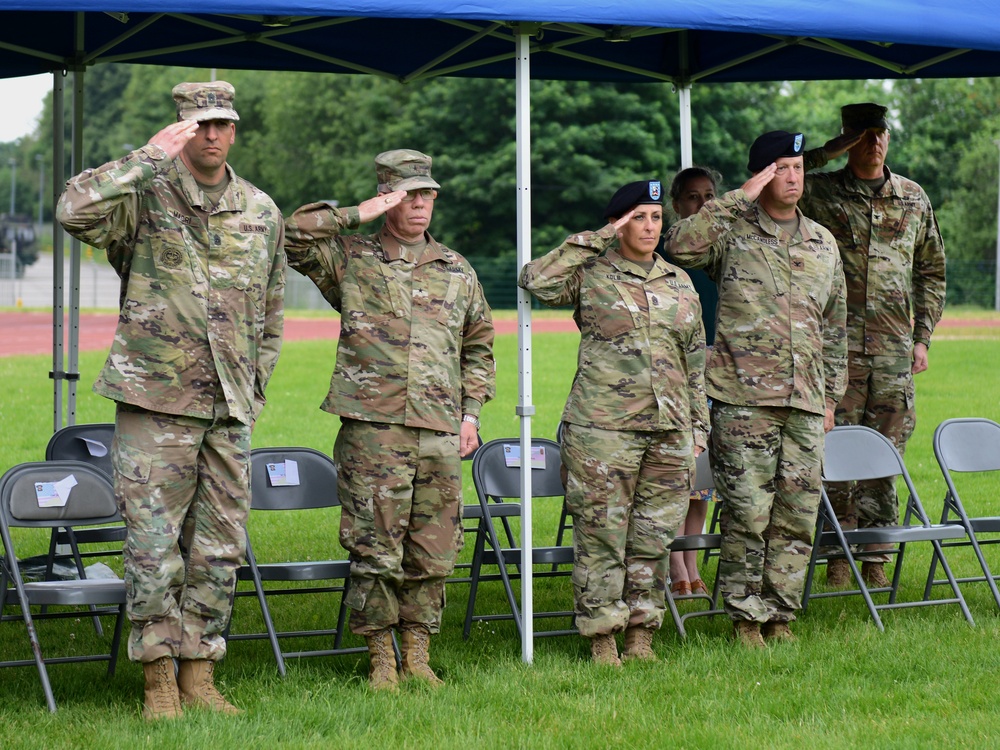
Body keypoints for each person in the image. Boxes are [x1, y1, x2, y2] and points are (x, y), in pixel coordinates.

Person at [56, 81, 285, 718]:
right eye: (199, 125)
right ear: (181, 129)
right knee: (153, 546)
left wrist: (256, 383)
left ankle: (200, 672)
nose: (212, 135)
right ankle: (158, 676)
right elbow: (72, 210)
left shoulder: (261, 210)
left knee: (219, 547)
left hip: (229, 408)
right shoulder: (143, 197)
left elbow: (269, 312)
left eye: (223, 124)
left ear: (235, 130)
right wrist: (145, 158)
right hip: (155, 400)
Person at [284, 150, 495, 691]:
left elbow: (479, 347)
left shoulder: (456, 268)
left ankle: (418, 654)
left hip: (442, 430)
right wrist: (359, 212)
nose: (421, 205)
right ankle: (380, 656)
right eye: (409, 195)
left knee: (434, 547)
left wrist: (471, 414)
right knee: (375, 545)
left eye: (427, 195)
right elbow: (291, 235)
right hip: (373, 429)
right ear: (387, 198)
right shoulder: (351, 258)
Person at [665, 131, 847, 647]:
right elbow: (678, 244)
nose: (793, 178)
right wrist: (738, 197)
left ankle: (781, 613)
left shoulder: (822, 241)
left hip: (807, 401)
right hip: (743, 400)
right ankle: (747, 618)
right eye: (782, 168)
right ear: (763, 174)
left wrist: (831, 396)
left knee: (797, 515)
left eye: (798, 168)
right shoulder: (732, 231)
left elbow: (835, 324)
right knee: (748, 512)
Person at [520, 180, 709, 665]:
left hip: (669, 430)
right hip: (602, 428)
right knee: (602, 535)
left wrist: (698, 429)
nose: (649, 227)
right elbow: (536, 280)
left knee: (652, 538)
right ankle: (602, 636)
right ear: (619, 221)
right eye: (638, 217)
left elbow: (694, 362)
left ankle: (642, 634)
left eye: (655, 218)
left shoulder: (679, 281)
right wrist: (598, 235)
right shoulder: (591, 273)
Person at [800, 102, 947, 589]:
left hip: (893, 352)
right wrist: (825, 153)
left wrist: (922, 338)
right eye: (862, 135)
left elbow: (931, 270)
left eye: (880, 133)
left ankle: (876, 556)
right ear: (848, 139)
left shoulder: (912, 197)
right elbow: (774, 177)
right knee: (836, 451)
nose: (874, 142)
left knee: (885, 454)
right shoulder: (819, 191)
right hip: (836, 349)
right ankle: (838, 553)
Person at [663, 166, 721, 598]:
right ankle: (673, 562)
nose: (702, 205)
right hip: (675, 380)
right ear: (676, 204)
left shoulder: (726, 251)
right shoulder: (665, 254)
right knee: (675, 475)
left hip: (718, 379)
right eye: (692, 198)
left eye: (709, 196)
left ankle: (692, 561)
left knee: (702, 480)